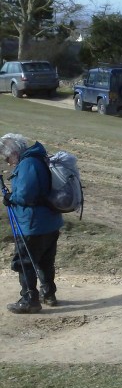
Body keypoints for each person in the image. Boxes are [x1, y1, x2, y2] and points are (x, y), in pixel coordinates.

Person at [0, 133, 64, 314]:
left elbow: (26, 194)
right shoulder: (39, 158)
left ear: (14, 151)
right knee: (45, 261)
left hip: (33, 224)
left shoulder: (28, 163)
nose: (7, 161)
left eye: (7, 157)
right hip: (50, 222)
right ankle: (48, 294)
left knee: (24, 262)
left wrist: (10, 197)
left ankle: (29, 300)